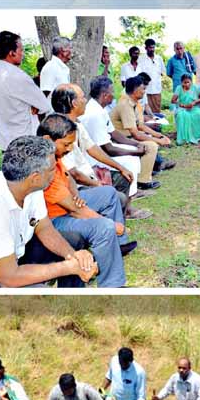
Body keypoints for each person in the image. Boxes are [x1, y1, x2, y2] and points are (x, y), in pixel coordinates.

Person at [0, 136, 97, 289]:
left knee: (73, 241)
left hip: (17, 255)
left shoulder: (29, 186)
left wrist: (74, 258)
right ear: (35, 177)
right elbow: (8, 278)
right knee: (41, 294)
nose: (56, 173)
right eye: (53, 169)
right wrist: (67, 267)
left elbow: (44, 228)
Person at [39, 114, 135, 287]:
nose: (69, 149)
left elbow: (69, 178)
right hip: (55, 220)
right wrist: (109, 223)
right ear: (47, 139)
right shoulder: (43, 166)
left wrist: (75, 194)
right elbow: (76, 211)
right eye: (66, 144)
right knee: (104, 227)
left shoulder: (54, 155)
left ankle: (117, 247)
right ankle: (113, 285)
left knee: (109, 193)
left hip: (69, 203)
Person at [50, 84, 149, 221]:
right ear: (73, 103)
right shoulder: (58, 131)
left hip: (88, 178)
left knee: (123, 177)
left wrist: (120, 168)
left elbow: (93, 149)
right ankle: (108, 226)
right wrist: (96, 184)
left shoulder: (76, 125)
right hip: (75, 188)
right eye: (83, 97)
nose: (86, 100)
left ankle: (117, 220)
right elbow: (74, 174)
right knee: (116, 195)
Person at [81, 75, 156, 217]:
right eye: (112, 92)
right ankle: (127, 208)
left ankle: (131, 193)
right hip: (94, 158)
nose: (114, 95)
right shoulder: (94, 114)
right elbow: (107, 149)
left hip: (102, 151)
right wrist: (135, 152)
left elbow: (114, 133)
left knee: (133, 153)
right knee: (131, 161)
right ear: (104, 95)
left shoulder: (99, 109)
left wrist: (136, 144)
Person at [0, 31, 52, 153]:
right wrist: (34, 106)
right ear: (12, 53)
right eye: (21, 50)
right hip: (26, 143)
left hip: (5, 143)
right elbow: (45, 106)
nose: (23, 54)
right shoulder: (19, 77)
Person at [110, 76, 171, 190]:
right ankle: (143, 181)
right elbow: (136, 134)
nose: (144, 91)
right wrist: (159, 141)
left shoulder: (134, 104)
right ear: (135, 90)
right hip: (119, 140)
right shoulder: (125, 105)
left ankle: (145, 175)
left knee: (151, 141)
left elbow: (141, 126)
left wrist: (159, 135)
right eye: (143, 89)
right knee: (151, 146)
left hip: (127, 137)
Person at [170, 73, 200, 145]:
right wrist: (181, 104)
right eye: (184, 82)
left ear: (191, 82)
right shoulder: (179, 88)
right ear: (182, 82)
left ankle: (196, 136)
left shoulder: (195, 88)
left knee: (199, 114)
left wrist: (194, 102)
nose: (187, 84)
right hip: (182, 108)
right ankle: (183, 138)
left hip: (194, 107)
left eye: (188, 82)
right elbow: (173, 100)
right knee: (181, 115)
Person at [138, 38, 165, 115]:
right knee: (145, 112)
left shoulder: (159, 58)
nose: (152, 49)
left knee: (157, 112)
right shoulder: (141, 59)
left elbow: (163, 72)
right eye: (150, 47)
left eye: (153, 47)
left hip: (157, 90)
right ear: (146, 48)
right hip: (145, 90)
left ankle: (157, 127)